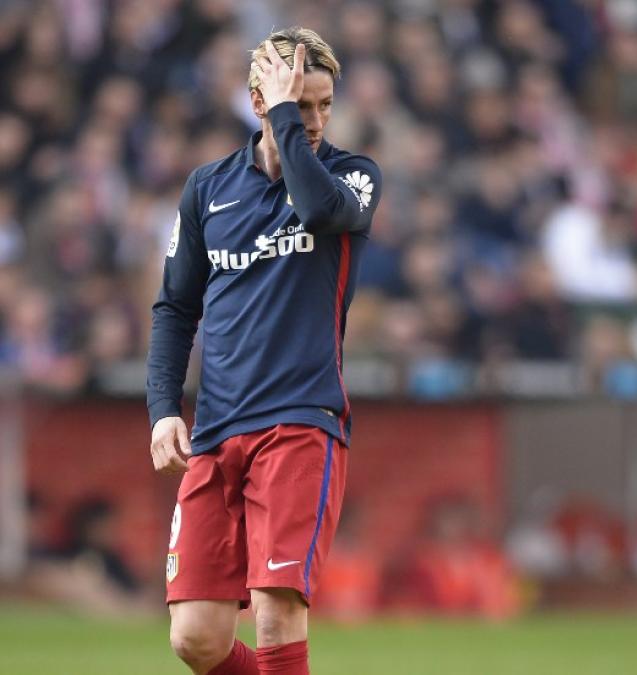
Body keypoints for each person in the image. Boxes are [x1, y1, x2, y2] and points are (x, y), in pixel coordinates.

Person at [145, 27, 381, 675]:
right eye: (298, 104)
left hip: (300, 421)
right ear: (256, 100)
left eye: (324, 104)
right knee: (197, 638)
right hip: (217, 430)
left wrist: (287, 119)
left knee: (277, 614)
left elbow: (316, 208)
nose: (314, 119)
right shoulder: (206, 189)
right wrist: (164, 406)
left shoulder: (352, 176)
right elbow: (175, 307)